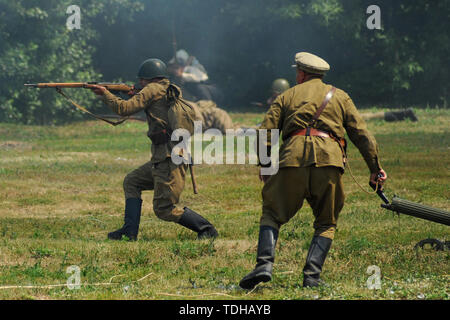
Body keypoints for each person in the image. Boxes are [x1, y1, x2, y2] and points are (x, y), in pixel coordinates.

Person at [239, 52, 387, 290]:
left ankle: (264, 265)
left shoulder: (287, 95)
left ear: (301, 73)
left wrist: (266, 164)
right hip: (329, 161)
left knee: (272, 214)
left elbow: (264, 133)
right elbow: (362, 135)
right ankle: (312, 277)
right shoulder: (340, 97)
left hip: (291, 160)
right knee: (326, 222)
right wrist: (375, 169)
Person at [90, 58, 218, 241]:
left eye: (142, 80)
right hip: (166, 157)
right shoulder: (164, 89)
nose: (140, 83)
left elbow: (123, 109)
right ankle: (129, 232)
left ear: (149, 79)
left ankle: (206, 229)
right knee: (132, 181)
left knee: (164, 209)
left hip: (168, 159)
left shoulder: (152, 89)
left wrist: (105, 94)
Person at [262, 79, 418, 122]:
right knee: (368, 116)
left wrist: (241, 129)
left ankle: (403, 113)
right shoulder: (294, 94)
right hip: (330, 113)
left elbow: (270, 125)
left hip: (328, 116)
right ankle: (404, 113)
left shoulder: (287, 100)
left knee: (367, 117)